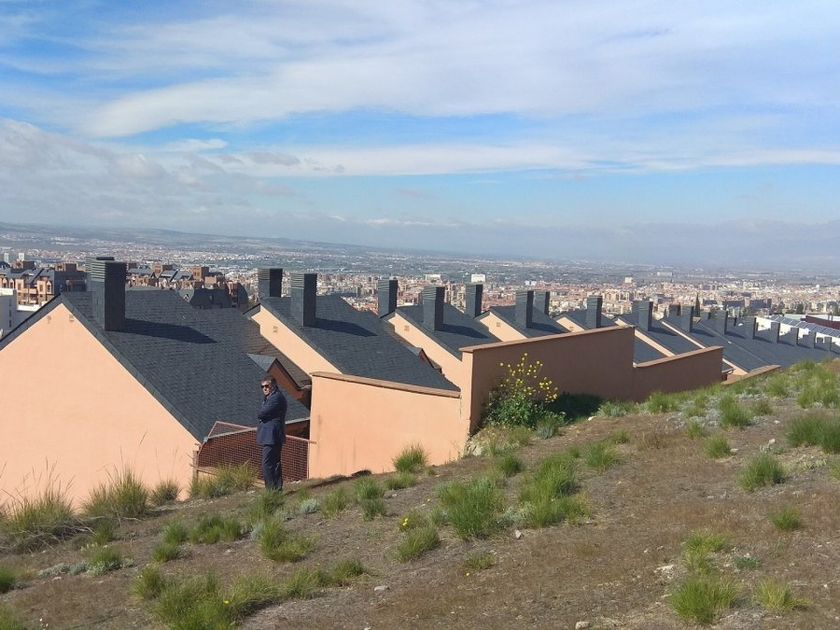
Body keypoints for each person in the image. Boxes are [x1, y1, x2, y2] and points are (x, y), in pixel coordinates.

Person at [256, 376, 287, 490]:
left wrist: (262, 415)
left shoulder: (276, 398)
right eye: (262, 386)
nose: (264, 388)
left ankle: (271, 490)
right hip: (272, 435)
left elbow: (261, 413)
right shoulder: (270, 397)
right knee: (275, 463)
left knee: (267, 464)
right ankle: (277, 489)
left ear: (273, 385)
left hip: (272, 436)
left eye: (267, 386)